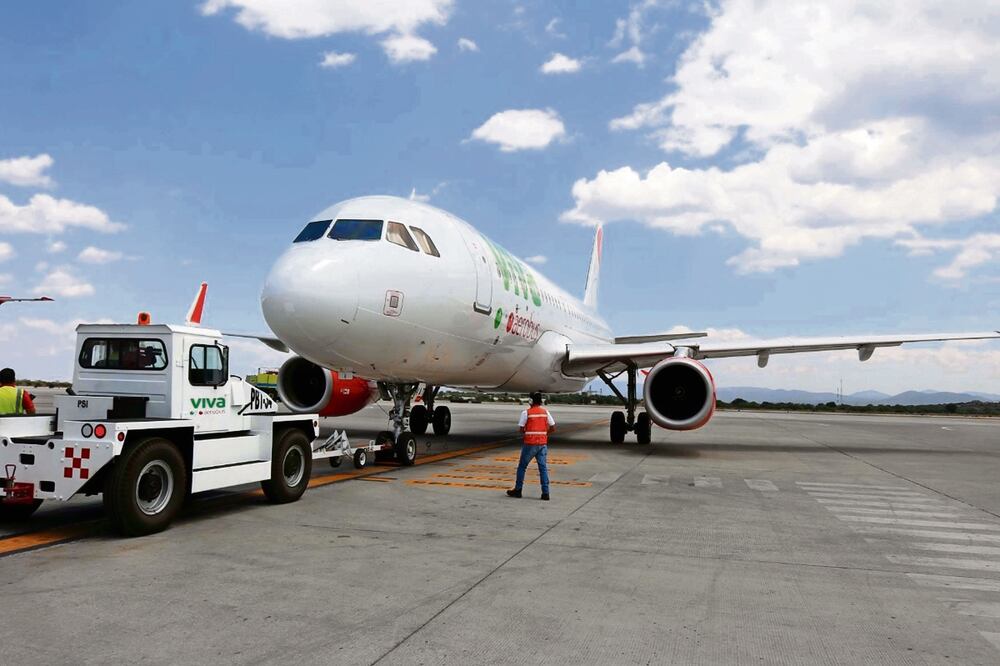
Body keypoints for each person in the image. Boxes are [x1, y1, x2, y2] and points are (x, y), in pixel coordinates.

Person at [507, 391, 555, 501]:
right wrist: (544, 433)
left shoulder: (526, 413)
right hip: (542, 444)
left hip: (530, 444)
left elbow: (521, 429)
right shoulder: (545, 412)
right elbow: (553, 427)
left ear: (530, 401)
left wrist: (529, 432)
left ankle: (518, 490)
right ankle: (545, 493)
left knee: (522, 467)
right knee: (543, 469)